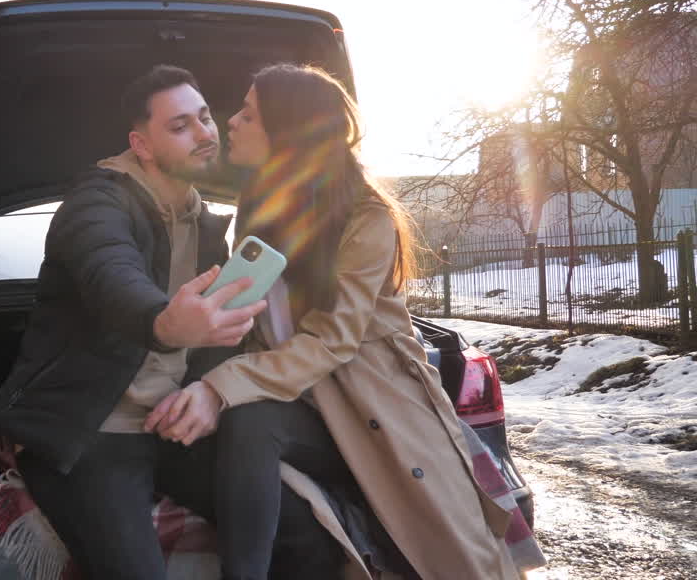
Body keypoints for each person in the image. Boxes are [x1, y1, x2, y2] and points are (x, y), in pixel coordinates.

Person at [154, 62, 526, 579]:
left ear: (289, 133)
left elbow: (332, 341)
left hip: (373, 414)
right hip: (304, 409)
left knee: (250, 416)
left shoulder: (366, 219)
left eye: (248, 114)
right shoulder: (260, 209)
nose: (231, 122)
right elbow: (237, 330)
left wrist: (220, 388)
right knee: (225, 426)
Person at [0, 65, 340, 580]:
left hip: (172, 428)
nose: (204, 134)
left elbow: (222, 340)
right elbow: (111, 273)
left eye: (204, 118)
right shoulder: (96, 204)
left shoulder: (211, 226)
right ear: (142, 145)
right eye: (180, 127)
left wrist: (206, 392)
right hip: (90, 435)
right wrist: (164, 323)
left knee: (306, 536)